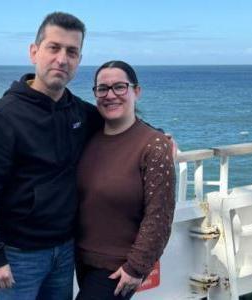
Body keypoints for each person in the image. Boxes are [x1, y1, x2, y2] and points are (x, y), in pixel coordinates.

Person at [0, 12, 102, 300]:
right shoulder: (2, 117)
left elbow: (118, 122)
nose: (62, 59)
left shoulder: (79, 112)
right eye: (54, 48)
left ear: (78, 60)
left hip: (65, 249)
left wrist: (157, 135)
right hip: (17, 255)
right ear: (34, 52)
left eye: (72, 52)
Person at [75, 61, 176, 300]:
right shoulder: (88, 138)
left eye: (120, 87)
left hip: (119, 268)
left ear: (136, 91)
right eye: (103, 89)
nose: (110, 95)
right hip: (82, 258)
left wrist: (137, 267)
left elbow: (160, 215)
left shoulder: (154, 145)